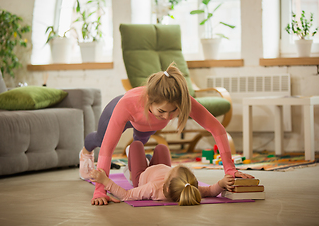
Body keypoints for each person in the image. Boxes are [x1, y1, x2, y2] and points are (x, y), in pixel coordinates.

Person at [80, 62, 254, 206]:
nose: (167, 117)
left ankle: (139, 167)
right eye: (162, 111)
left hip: (145, 123)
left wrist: (230, 170)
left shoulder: (182, 101)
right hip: (118, 111)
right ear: (149, 100)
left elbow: (217, 128)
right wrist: (99, 190)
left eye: (173, 112)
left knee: (139, 142)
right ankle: (86, 151)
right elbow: (108, 149)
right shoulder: (128, 104)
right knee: (101, 141)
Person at [90, 141, 236, 206]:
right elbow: (210, 191)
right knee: (161, 147)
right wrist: (221, 184)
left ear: (166, 188)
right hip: (158, 167)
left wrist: (105, 181)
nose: (169, 170)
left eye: (170, 172)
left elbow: (126, 196)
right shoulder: (190, 187)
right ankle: (148, 159)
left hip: (142, 174)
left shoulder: (153, 188)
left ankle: (131, 168)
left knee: (136, 145)